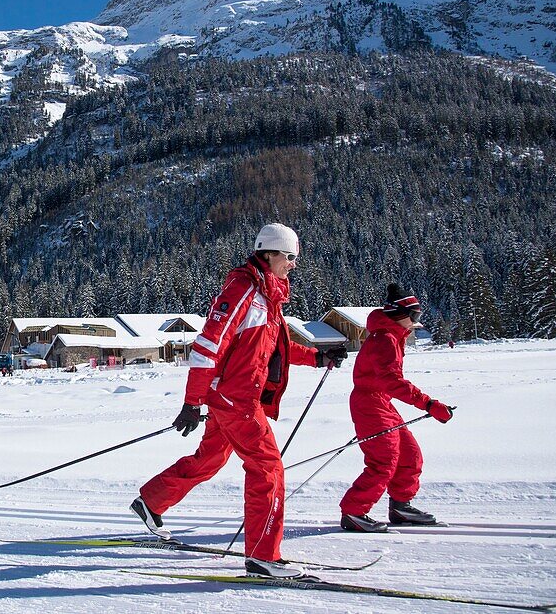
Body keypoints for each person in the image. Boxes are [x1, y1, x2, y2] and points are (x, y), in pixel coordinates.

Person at [130, 223, 348, 579]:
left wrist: (318, 357)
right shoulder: (244, 288)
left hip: (236, 396)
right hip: (236, 399)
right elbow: (207, 346)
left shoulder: (267, 295)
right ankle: (264, 556)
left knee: (211, 459)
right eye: (289, 257)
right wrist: (191, 401)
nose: (293, 264)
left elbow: (276, 349)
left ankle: (151, 502)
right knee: (268, 469)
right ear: (270, 253)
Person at [339, 284, 454, 533]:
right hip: (370, 403)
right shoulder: (385, 340)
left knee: (409, 454)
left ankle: (401, 506)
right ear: (399, 314)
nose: (415, 322)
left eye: (418, 316)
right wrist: (429, 404)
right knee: (384, 460)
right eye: (414, 316)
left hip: (382, 402)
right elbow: (393, 382)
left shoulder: (391, 336)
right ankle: (354, 511)